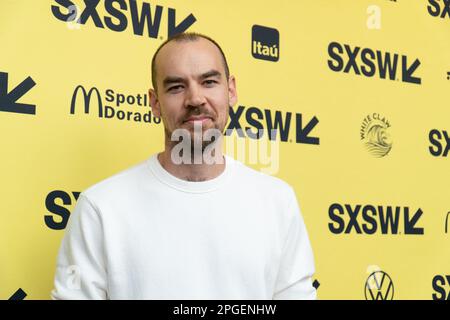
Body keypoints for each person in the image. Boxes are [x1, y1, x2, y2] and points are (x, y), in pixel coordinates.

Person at [51, 32, 316, 300]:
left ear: (231, 90)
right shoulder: (100, 208)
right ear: (155, 103)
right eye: (176, 87)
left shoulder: (277, 201)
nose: (195, 98)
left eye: (209, 81)